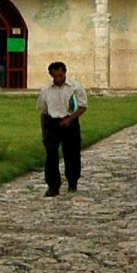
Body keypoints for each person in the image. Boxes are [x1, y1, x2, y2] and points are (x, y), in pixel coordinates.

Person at [36, 60, 87, 196]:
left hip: (70, 123)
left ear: (65, 73)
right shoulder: (46, 90)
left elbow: (83, 106)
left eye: (60, 75)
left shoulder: (74, 87)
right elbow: (43, 112)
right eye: (55, 76)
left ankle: (72, 181)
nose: (58, 79)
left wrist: (70, 119)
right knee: (51, 155)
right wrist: (44, 133)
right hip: (52, 124)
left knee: (72, 154)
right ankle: (53, 185)